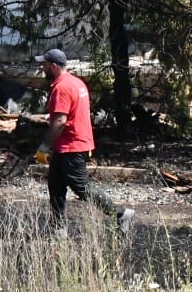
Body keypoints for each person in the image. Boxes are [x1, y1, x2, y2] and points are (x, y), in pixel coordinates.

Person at [33, 49, 134, 234]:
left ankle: (120, 214)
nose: (43, 68)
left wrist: (45, 145)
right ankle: (57, 228)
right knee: (55, 184)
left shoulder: (61, 87)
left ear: (54, 66)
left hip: (71, 144)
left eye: (45, 64)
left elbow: (60, 120)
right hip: (70, 143)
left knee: (81, 187)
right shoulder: (76, 83)